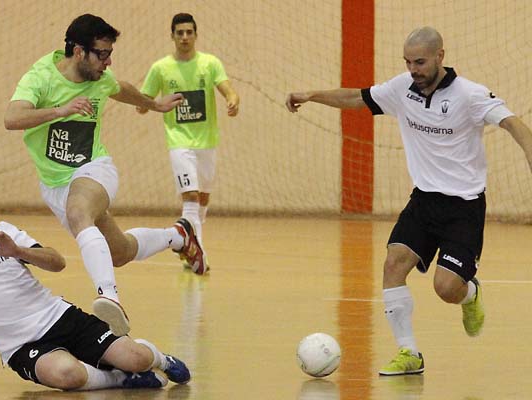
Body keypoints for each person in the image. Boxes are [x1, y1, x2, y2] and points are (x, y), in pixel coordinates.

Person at [286, 26, 532, 376]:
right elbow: (357, 98)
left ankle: (469, 294)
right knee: (393, 265)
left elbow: (513, 124)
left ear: (440, 56)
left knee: (446, 288)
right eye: (408, 62)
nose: (413, 69)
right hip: (423, 200)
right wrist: (312, 95)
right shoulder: (402, 89)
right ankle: (409, 353)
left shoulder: (469, 95)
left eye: (420, 62)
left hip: (463, 206)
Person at [4, 14, 205, 336]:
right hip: (55, 184)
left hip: (93, 168)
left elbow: (121, 88)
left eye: (110, 54)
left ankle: (108, 297)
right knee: (119, 252)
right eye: (102, 54)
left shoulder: (100, 78)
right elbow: (12, 118)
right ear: (78, 52)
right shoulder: (41, 77)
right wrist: (60, 110)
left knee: (78, 212)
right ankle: (179, 235)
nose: (108, 62)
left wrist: (154, 104)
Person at [0, 178, 191, 391]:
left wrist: (17, 251)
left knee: (136, 357)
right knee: (68, 374)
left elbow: (57, 262)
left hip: (60, 316)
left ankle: (159, 360)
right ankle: (120, 379)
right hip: (20, 345)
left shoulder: (3, 231)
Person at [137, 13, 239, 274]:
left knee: (203, 196)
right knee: (190, 196)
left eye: (188, 32)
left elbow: (226, 87)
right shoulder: (161, 68)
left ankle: (190, 243)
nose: (184, 37)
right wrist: (147, 104)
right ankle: (198, 253)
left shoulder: (209, 63)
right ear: (172, 36)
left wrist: (232, 99)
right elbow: (144, 100)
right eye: (179, 33)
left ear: (196, 35)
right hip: (179, 141)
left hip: (207, 141)